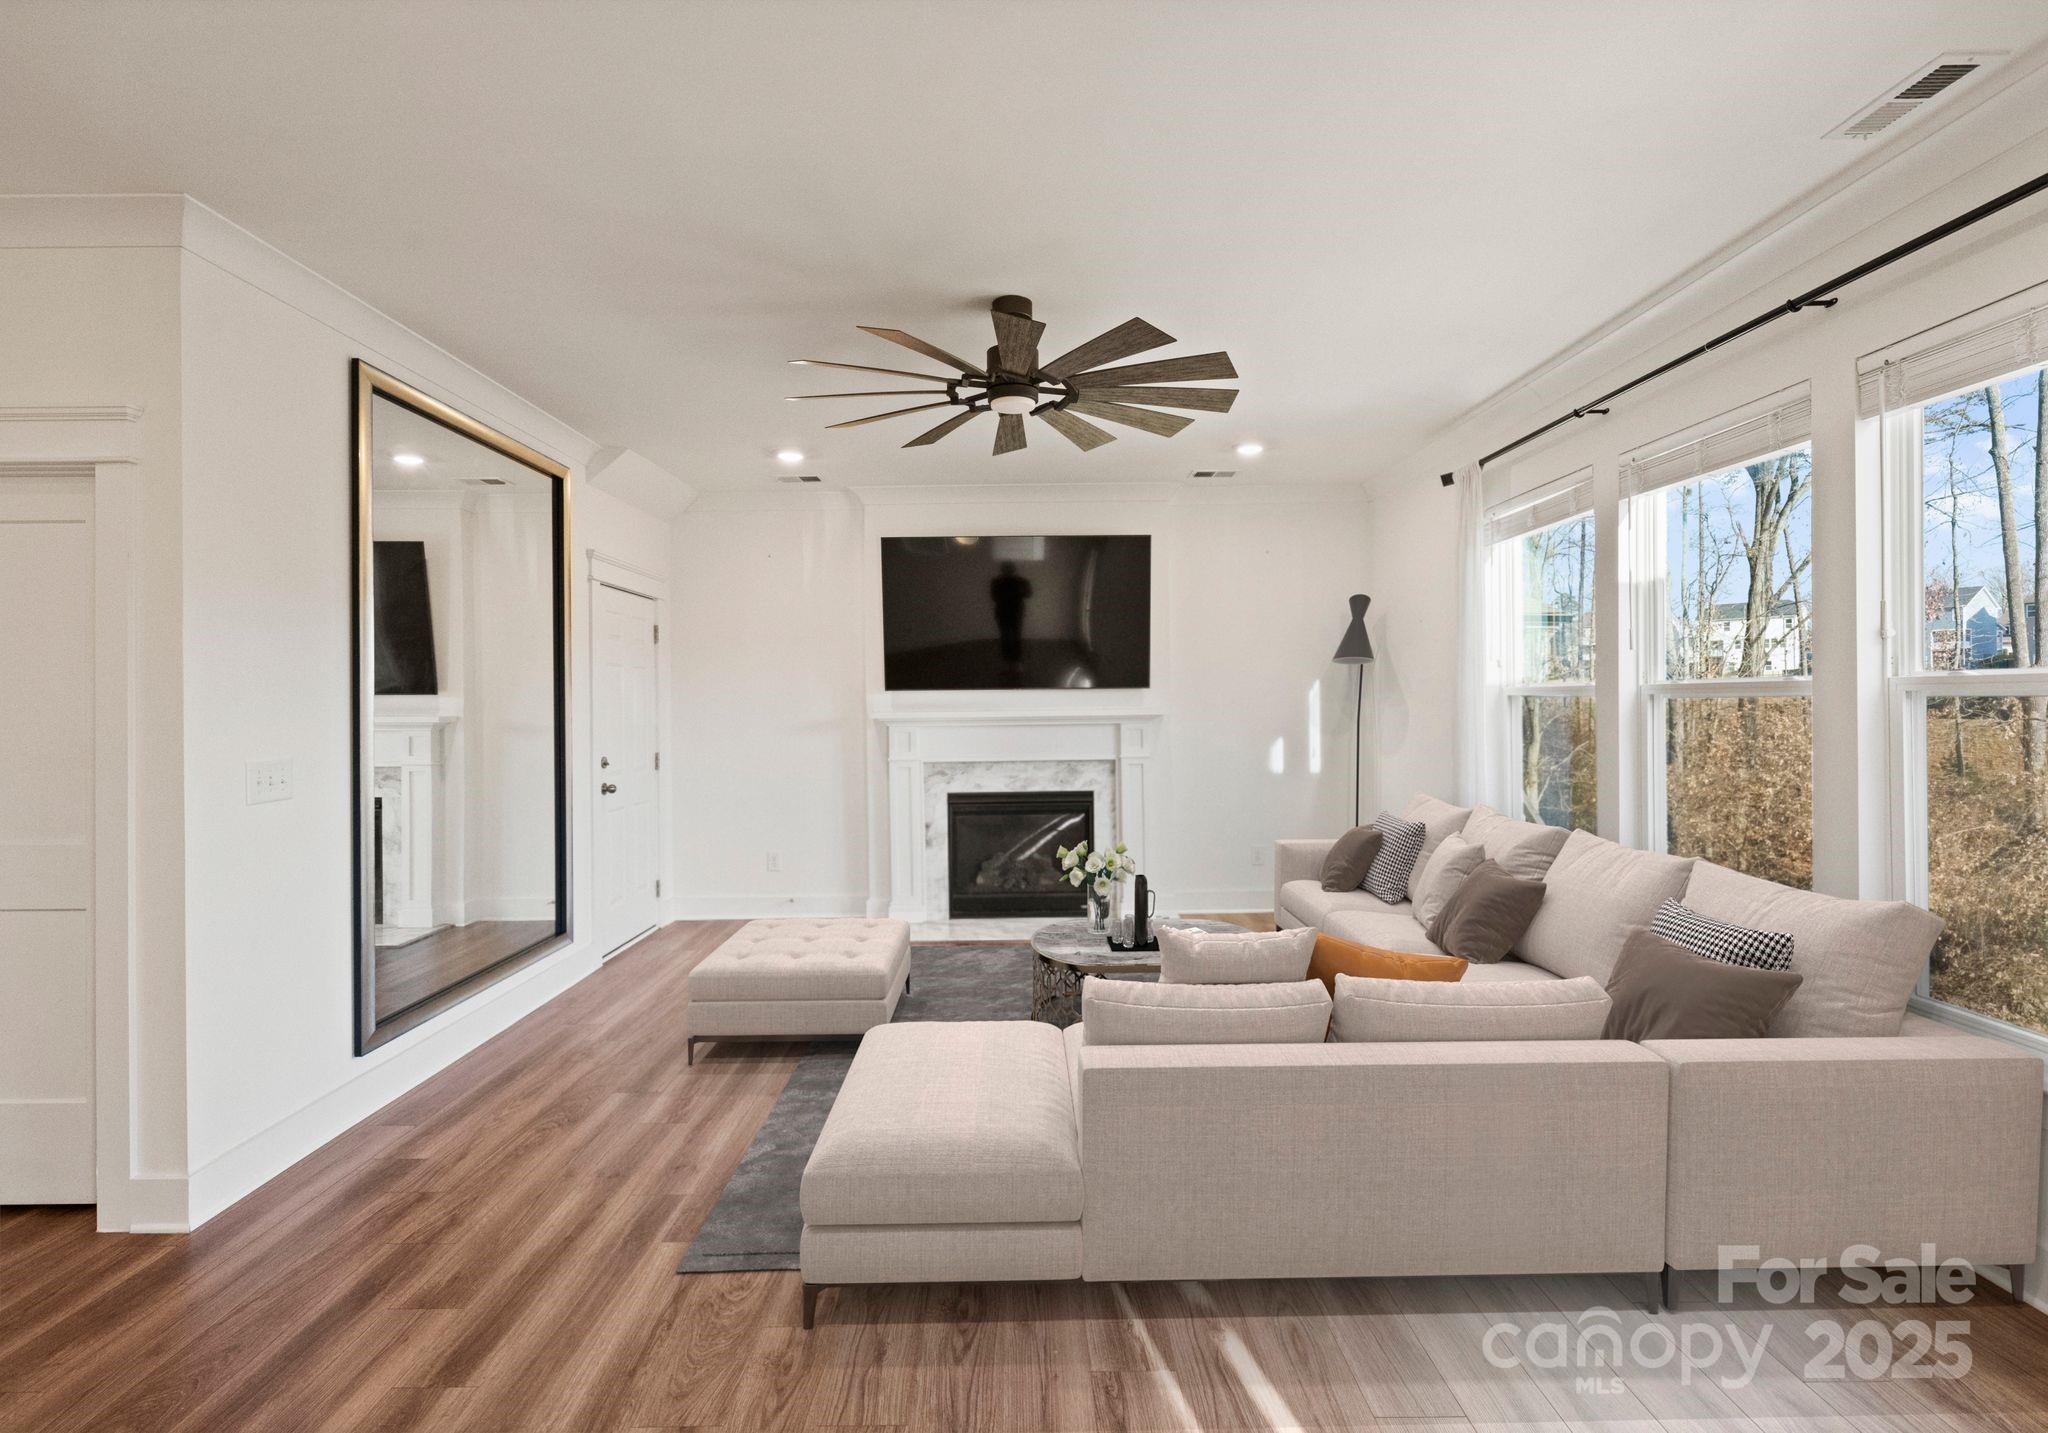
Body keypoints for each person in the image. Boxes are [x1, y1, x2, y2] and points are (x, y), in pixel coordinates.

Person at [990, 560, 1031, 665]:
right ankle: (1015, 659)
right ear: (1014, 569)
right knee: (1014, 635)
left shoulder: (996, 581)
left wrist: (1006, 595)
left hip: (1004, 611)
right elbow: (1028, 594)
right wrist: (1017, 593)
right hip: (1014, 611)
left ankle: (1008, 659)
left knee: (1006, 635)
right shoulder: (1022, 581)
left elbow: (994, 597)